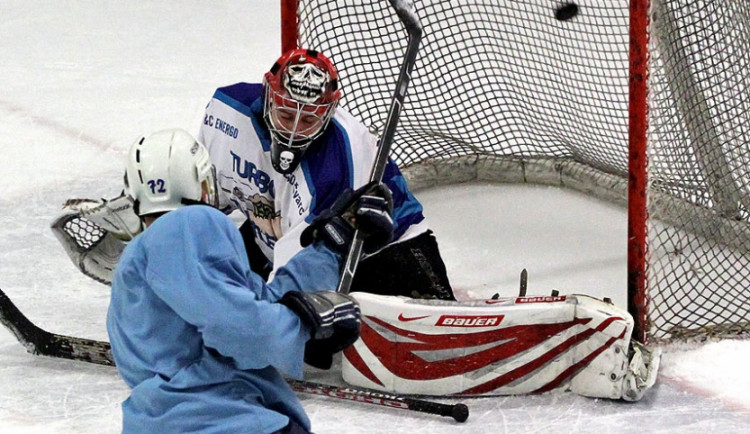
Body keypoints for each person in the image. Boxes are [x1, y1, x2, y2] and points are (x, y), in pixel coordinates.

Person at [106, 128, 395, 433]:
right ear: (203, 183)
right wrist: (302, 326)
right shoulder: (191, 224)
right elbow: (241, 329)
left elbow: (258, 305)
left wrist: (332, 245)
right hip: (224, 421)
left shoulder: (133, 273)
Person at [198, 47, 455, 300]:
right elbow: (204, 202)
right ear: (268, 96)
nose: (294, 131)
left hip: (382, 247)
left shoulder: (335, 165)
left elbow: (301, 277)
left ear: (329, 113)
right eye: (286, 115)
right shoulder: (227, 111)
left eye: (308, 121)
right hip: (275, 235)